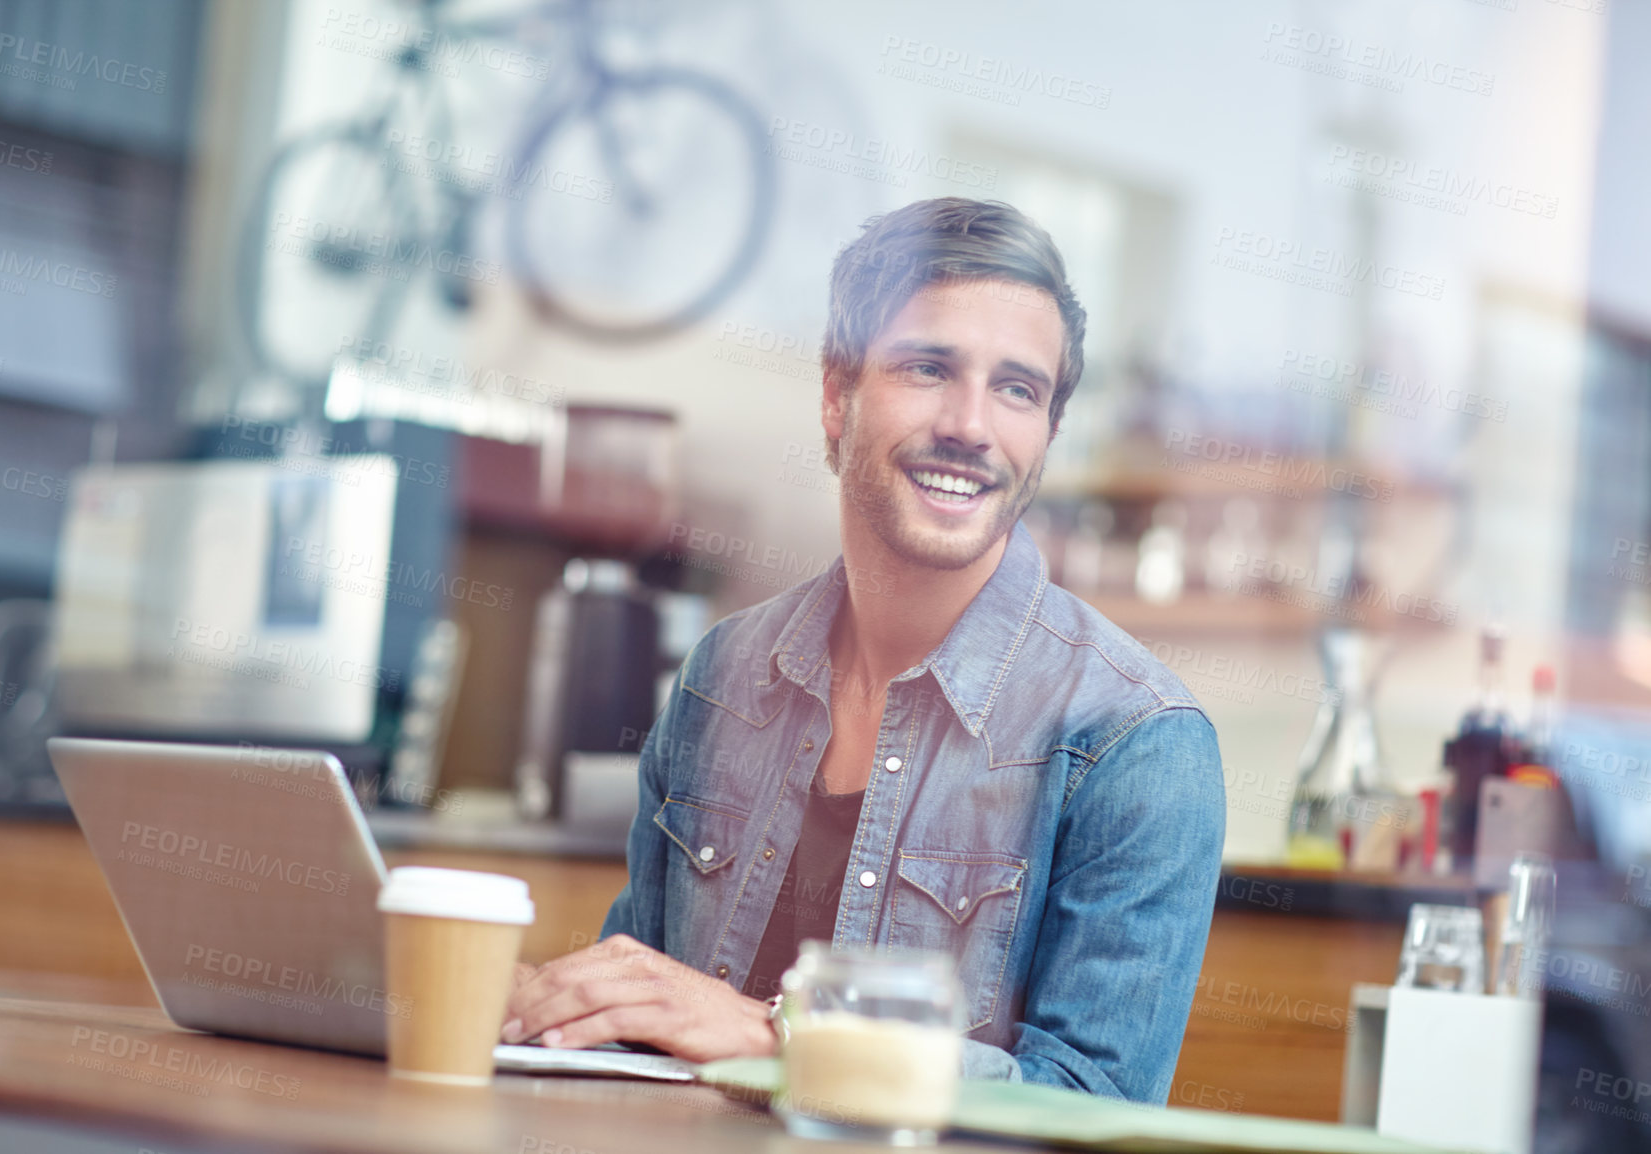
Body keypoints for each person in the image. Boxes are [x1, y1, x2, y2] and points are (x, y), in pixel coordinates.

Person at [502, 197, 1224, 1103]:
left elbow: (1094, 1109)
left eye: (1017, 388)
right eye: (929, 367)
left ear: (1046, 433)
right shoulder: (720, 682)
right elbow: (646, 1019)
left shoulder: (1135, 740)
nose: (971, 424)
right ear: (837, 396)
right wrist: (542, 1011)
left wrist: (778, 1039)